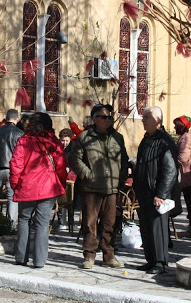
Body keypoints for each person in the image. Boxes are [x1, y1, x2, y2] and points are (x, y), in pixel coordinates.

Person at [69, 104, 129, 269]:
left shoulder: (117, 137)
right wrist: (88, 174)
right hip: (92, 188)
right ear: (94, 118)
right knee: (90, 223)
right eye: (104, 117)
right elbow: (74, 159)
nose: (108, 120)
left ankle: (109, 256)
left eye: (110, 117)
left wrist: (121, 177)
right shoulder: (84, 138)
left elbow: (124, 159)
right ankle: (89, 255)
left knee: (110, 224)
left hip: (112, 187)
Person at [10, 112, 67, 268]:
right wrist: (61, 183)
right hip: (49, 187)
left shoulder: (24, 141)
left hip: (27, 186)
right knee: (42, 224)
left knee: (24, 220)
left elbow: (16, 165)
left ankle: (21, 257)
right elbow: (61, 165)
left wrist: (15, 184)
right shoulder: (53, 141)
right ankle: (40, 260)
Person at [132, 106, 178, 274]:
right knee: (146, 227)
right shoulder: (147, 139)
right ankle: (151, 260)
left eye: (146, 117)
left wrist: (161, 193)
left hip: (157, 193)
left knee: (157, 228)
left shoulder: (164, 141)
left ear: (157, 120)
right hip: (144, 192)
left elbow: (170, 170)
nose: (143, 120)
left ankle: (161, 262)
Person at [0, 109, 23, 222]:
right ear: (17, 119)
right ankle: (11, 224)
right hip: (13, 170)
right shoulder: (20, 134)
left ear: (5, 117)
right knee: (12, 198)